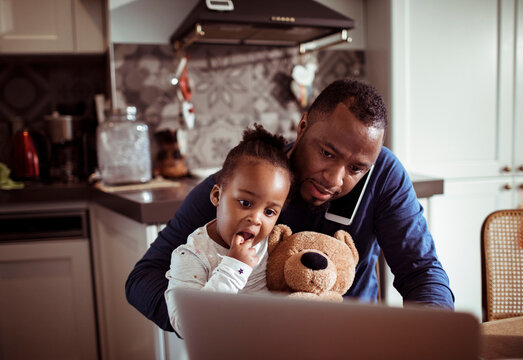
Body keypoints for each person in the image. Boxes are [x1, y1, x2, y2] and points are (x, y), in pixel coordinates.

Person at [126, 79, 455, 333]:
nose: (335, 180)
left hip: (352, 340)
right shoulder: (242, 187)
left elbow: (421, 271)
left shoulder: (383, 174)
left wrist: (431, 333)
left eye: (356, 168)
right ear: (303, 126)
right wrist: (205, 321)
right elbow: (143, 278)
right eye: (327, 153)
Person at [164, 124, 292, 336]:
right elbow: (186, 324)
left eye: (269, 212)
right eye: (245, 202)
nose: (256, 219)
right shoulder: (192, 256)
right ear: (216, 196)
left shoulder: (271, 245)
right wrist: (234, 266)